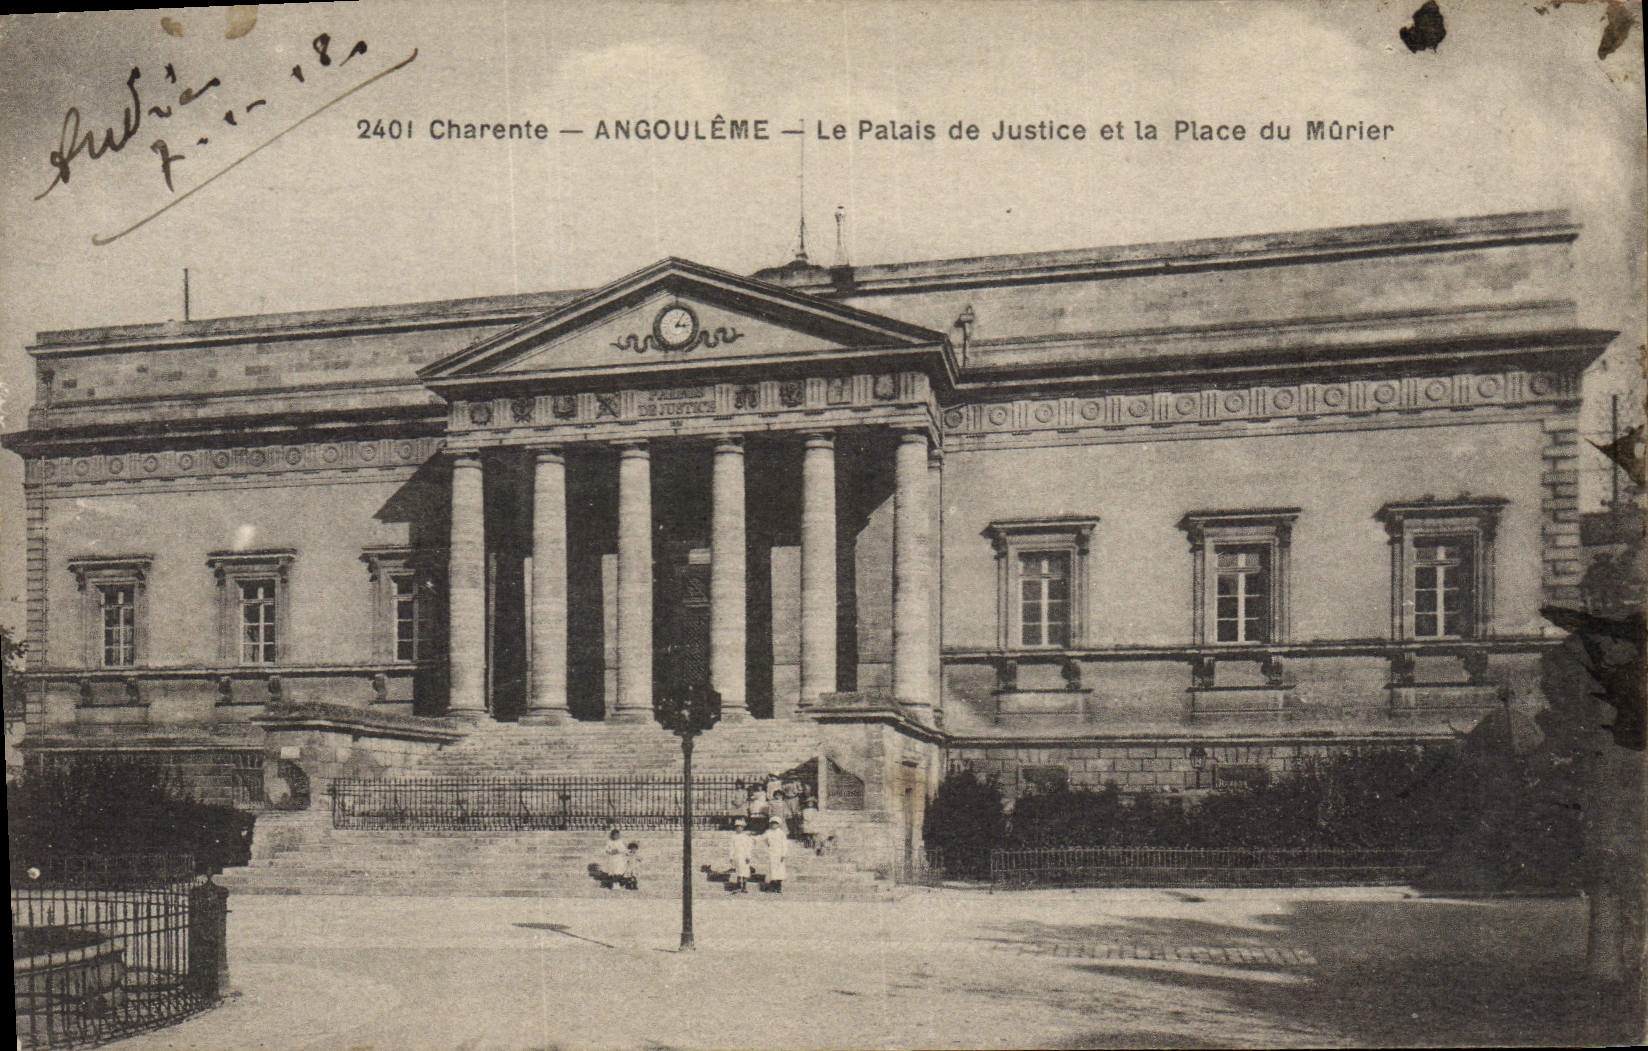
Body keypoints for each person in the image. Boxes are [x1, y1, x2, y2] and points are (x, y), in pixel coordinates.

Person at [762, 813, 789, 893]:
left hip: (779, 853)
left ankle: (778, 887)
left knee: (779, 871)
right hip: (772, 853)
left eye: (776, 824)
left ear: (778, 825)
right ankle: (772, 887)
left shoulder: (781, 833)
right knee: (772, 870)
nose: (774, 825)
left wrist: (783, 854)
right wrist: (767, 845)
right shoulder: (768, 832)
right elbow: (763, 839)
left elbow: (784, 844)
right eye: (773, 823)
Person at [727, 816, 754, 893]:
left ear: (743, 828)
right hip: (737, 856)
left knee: (745, 871)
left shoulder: (746, 837)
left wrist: (748, 856)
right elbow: (732, 847)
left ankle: (744, 887)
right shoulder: (733, 837)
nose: (739, 828)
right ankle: (739, 886)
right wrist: (731, 857)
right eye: (737, 827)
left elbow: (749, 847)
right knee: (739, 871)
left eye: (740, 827)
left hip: (744, 857)